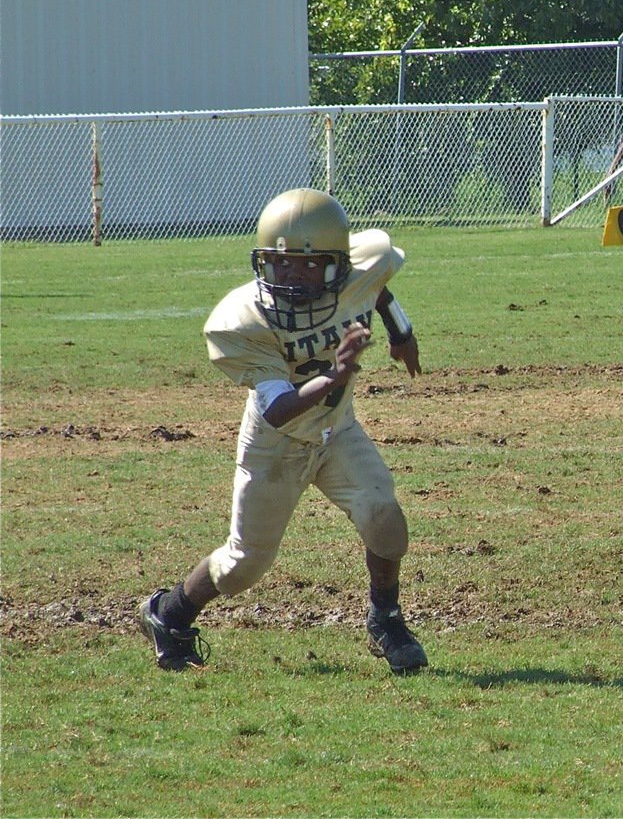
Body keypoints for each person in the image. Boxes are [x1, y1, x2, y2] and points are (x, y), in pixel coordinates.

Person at [139, 187, 428, 673]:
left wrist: (402, 333)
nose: (291, 274)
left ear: (338, 264)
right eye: (281, 262)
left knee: (385, 517)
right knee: (244, 563)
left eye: (306, 264)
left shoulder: (360, 272)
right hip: (277, 444)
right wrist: (334, 376)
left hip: (338, 430)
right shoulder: (244, 318)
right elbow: (277, 409)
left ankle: (386, 618)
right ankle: (168, 614)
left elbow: (377, 290)